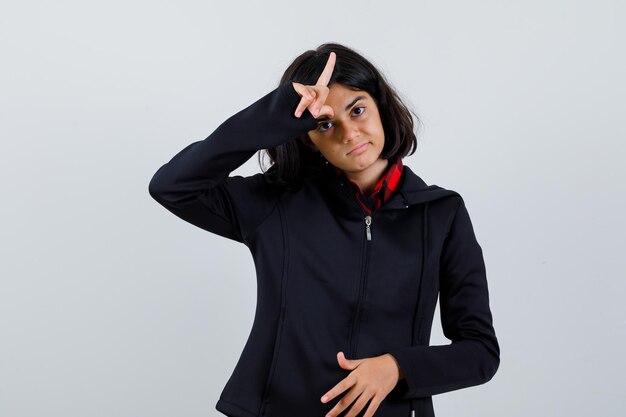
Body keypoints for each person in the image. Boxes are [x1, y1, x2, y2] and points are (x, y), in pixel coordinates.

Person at [148, 43, 499, 417]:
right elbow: (172, 186)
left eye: (358, 109)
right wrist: (275, 113)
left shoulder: (441, 213)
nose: (349, 133)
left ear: (381, 106)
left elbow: (480, 351)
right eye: (325, 124)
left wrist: (397, 367)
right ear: (306, 137)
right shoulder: (275, 202)